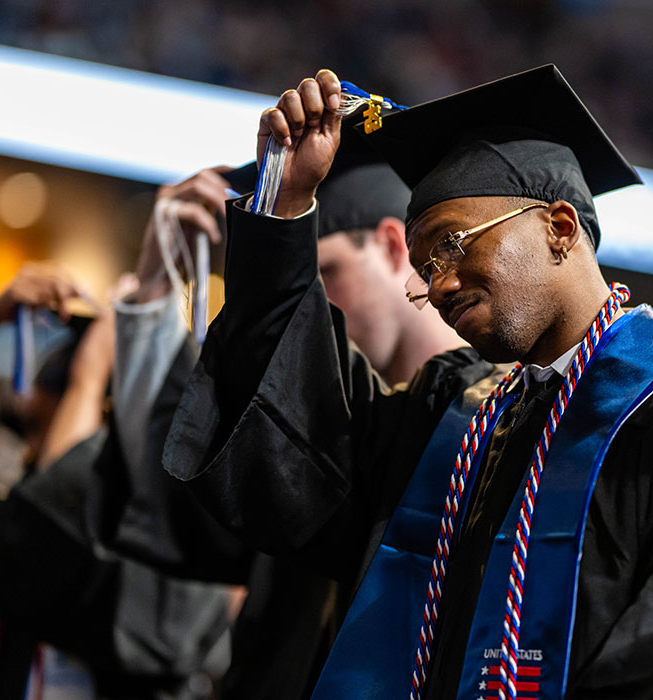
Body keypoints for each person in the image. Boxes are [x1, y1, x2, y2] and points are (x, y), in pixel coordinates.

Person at [164, 64, 653, 699]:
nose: (437, 285)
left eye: (453, 244)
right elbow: (300, 439)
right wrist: (284, 208)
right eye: (426, 265)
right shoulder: (449, 415)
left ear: (560, 229)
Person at [91, 133, 461, 700]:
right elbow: (178, 505)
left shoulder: (481, 431)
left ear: (393, 247)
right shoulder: (314, 434)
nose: (305, 315)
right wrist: (152, 290)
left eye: (321, 278)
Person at [0, 264, 230, 700]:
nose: (32, 446)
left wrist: (88, 377)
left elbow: (56, 528)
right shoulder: (9, 522)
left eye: (43, 423)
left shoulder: (164, 545)